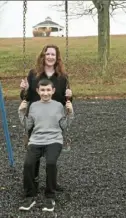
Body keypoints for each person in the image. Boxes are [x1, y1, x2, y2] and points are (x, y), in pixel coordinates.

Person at [19, 44, 72, 192]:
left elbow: (65, 101)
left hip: (54, 118)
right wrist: (23, 90)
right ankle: (33, 182)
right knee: (33, 154)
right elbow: (26, 97)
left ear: (57, 58)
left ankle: (51, 183)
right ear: (43, 56)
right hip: (36, 117)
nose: (50, 57)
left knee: (51, 156)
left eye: (53, 55)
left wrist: (70, 96)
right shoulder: (33, 74)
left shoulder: (62, 77)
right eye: (47, 54)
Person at [18, 79, 74, 212]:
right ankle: (30, 196)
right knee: (28, 164)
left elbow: (65, 125)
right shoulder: (33, 106)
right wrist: (21, 112)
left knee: (50, 163)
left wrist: (70, 113)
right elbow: (28, 126)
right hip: (36, 140)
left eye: (48, 90)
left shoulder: (59, 106)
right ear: (38, 91)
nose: (45, 93)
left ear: (53, 91)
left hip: (54, 140)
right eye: (42, 90)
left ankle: (50, 196)